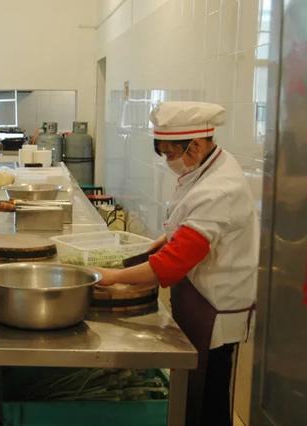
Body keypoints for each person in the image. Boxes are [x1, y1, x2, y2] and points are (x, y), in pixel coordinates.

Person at [96, 102, 258, 426]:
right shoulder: (206, 166)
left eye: (171, 154)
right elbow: (189, 225)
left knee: (209, 397)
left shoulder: (220, 189)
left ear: (194, 146)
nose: (168, 161)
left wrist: (112, 276)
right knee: (194, 392)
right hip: (198, 292)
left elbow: (170, 266)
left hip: (214, 305)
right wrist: (165, 239)